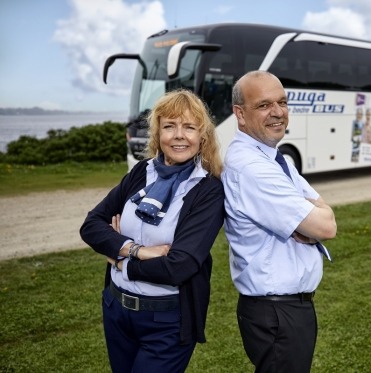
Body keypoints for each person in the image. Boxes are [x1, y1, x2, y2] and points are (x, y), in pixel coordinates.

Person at [80, 89, 225, 373]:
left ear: (202, 137)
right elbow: (92, 225)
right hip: (117, 310)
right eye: (169, 126)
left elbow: (179, 266)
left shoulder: (208, 190)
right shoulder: (141, 172)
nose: (179, 135)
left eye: (189, 127)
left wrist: (122, 260)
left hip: (167, 322)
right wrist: (138, 251)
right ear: (158, 134)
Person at [221, 71, 337, 373]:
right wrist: (310, 221)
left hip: (283, 310)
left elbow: (325, 214)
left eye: (282, 102)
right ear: (240, 114)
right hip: (276, 313)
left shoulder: (275, 159)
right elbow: (326, 228)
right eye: (263, 105)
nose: (277, 112)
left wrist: (308, 222)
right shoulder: (252, 168)